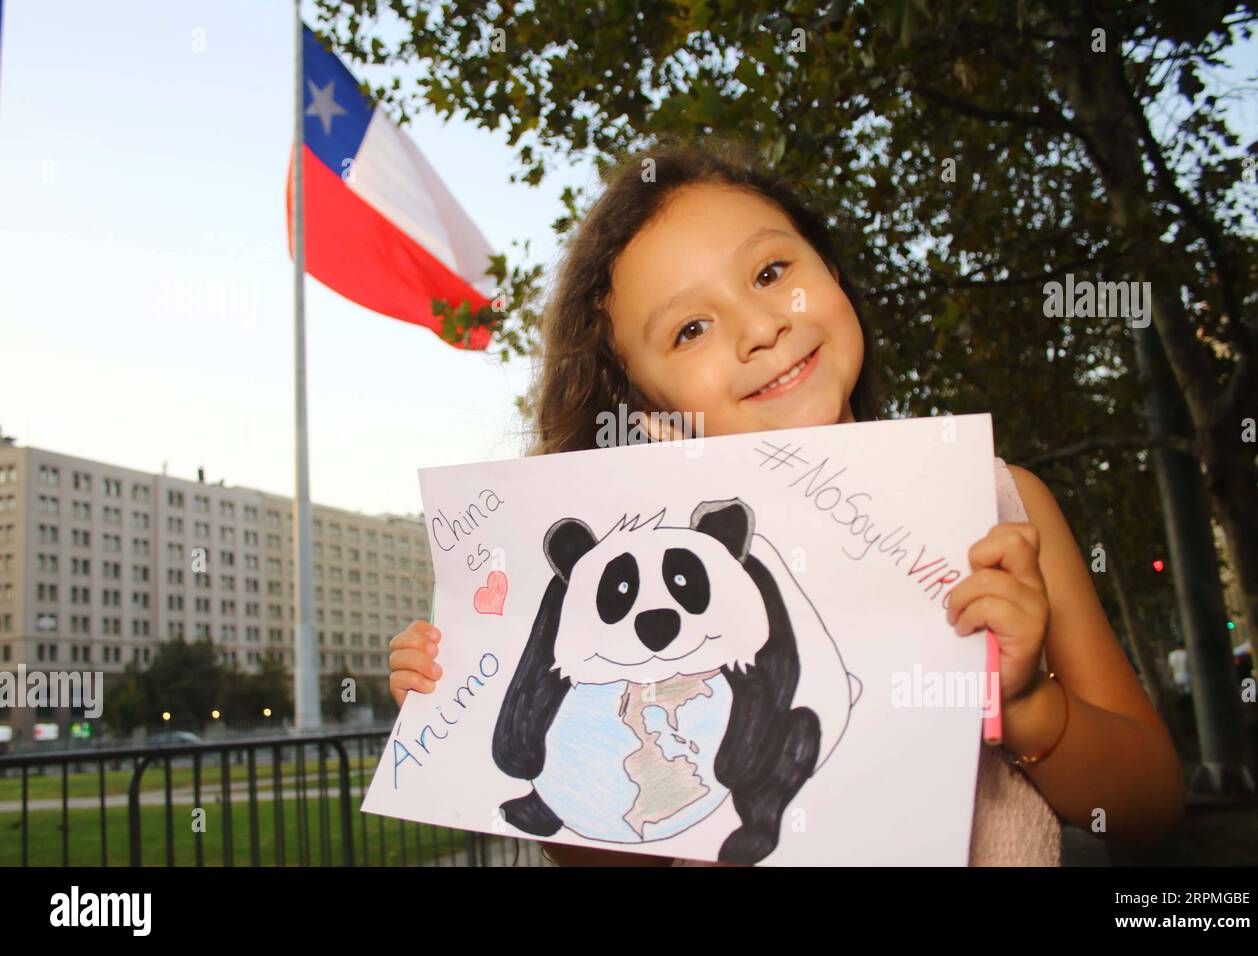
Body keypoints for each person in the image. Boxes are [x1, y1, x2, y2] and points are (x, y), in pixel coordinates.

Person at [388, 138, 1185, 866]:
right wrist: (465, 707)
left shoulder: (1006, 504)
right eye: (690, 329)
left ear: (831, 275)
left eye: (772, 274)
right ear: (647, 410)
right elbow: (606, 853)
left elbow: (1149, 808)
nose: (762, 327)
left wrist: (1030, 707)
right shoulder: (627, 617)